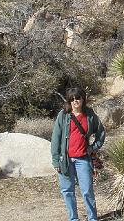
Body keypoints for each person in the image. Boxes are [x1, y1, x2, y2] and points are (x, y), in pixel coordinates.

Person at [51, 87, 106, 221]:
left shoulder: (90, 115)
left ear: (83, 99)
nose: (75, 101)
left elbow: (101, 133)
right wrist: (56, 160)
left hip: (83, 159)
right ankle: (73, 218)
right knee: (67, 191)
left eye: (78, 98)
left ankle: (92, 218)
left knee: (87, 191)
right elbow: (55, 139)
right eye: (72, 99)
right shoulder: (63, 115)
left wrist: (94, 147)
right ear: (69, 101)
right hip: (66, 160)